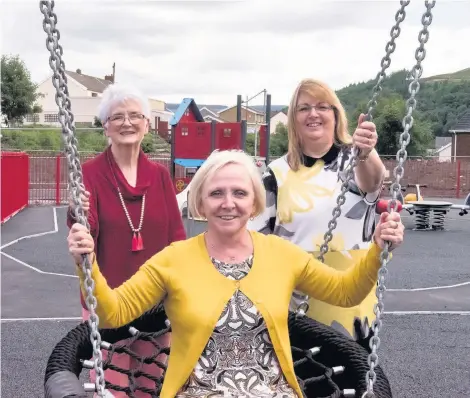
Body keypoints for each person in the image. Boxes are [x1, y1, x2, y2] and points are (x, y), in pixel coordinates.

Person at [68, 149, 404, 398]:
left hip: (274, 392)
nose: (228, 203)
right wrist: (87, 261)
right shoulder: (173, 260)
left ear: (255, 203)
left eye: (239, 193)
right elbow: (111, 313)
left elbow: (346, 291)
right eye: (216, 193)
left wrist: (377, 249)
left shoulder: (281, 255)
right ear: (200, 202)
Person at [66, 83, 186, 397]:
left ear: (147, 124)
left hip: (156, 303)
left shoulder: (159, 176)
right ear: (105, 126)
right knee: (114, 389)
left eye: (135, 116)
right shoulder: (89, 174)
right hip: (110, 301)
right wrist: (77, 212)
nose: (127, 123)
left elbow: (176, 237)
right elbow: (86, 232)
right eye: (117, 117)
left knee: (152, 385)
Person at [248, 78, 387, 341]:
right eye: (304, 108)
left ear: (335, 115)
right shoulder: (276, 172)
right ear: (293, 119)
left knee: (351, 374)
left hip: (352, 292)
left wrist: (365, 152)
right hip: (294, 291)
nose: (313, 114)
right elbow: (257, 239)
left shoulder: (356, 159)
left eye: (323, 106)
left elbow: (373, 181)